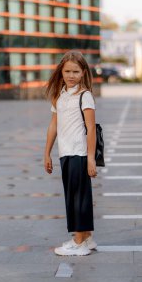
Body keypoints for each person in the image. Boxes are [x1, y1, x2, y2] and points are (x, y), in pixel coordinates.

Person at [44, 50, 97, 256]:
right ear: (61, 71)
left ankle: (79, 242)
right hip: (65, 153)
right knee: (73, 196)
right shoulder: (60, 96)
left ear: (83, 72)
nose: (71, 75)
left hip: (80, 154)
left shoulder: (85, 96)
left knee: (78, 199)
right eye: (67, 71)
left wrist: (90, 159)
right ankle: (87, 237)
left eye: (76, 71)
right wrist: (46, 153)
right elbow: (53, 126)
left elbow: (91, 128)